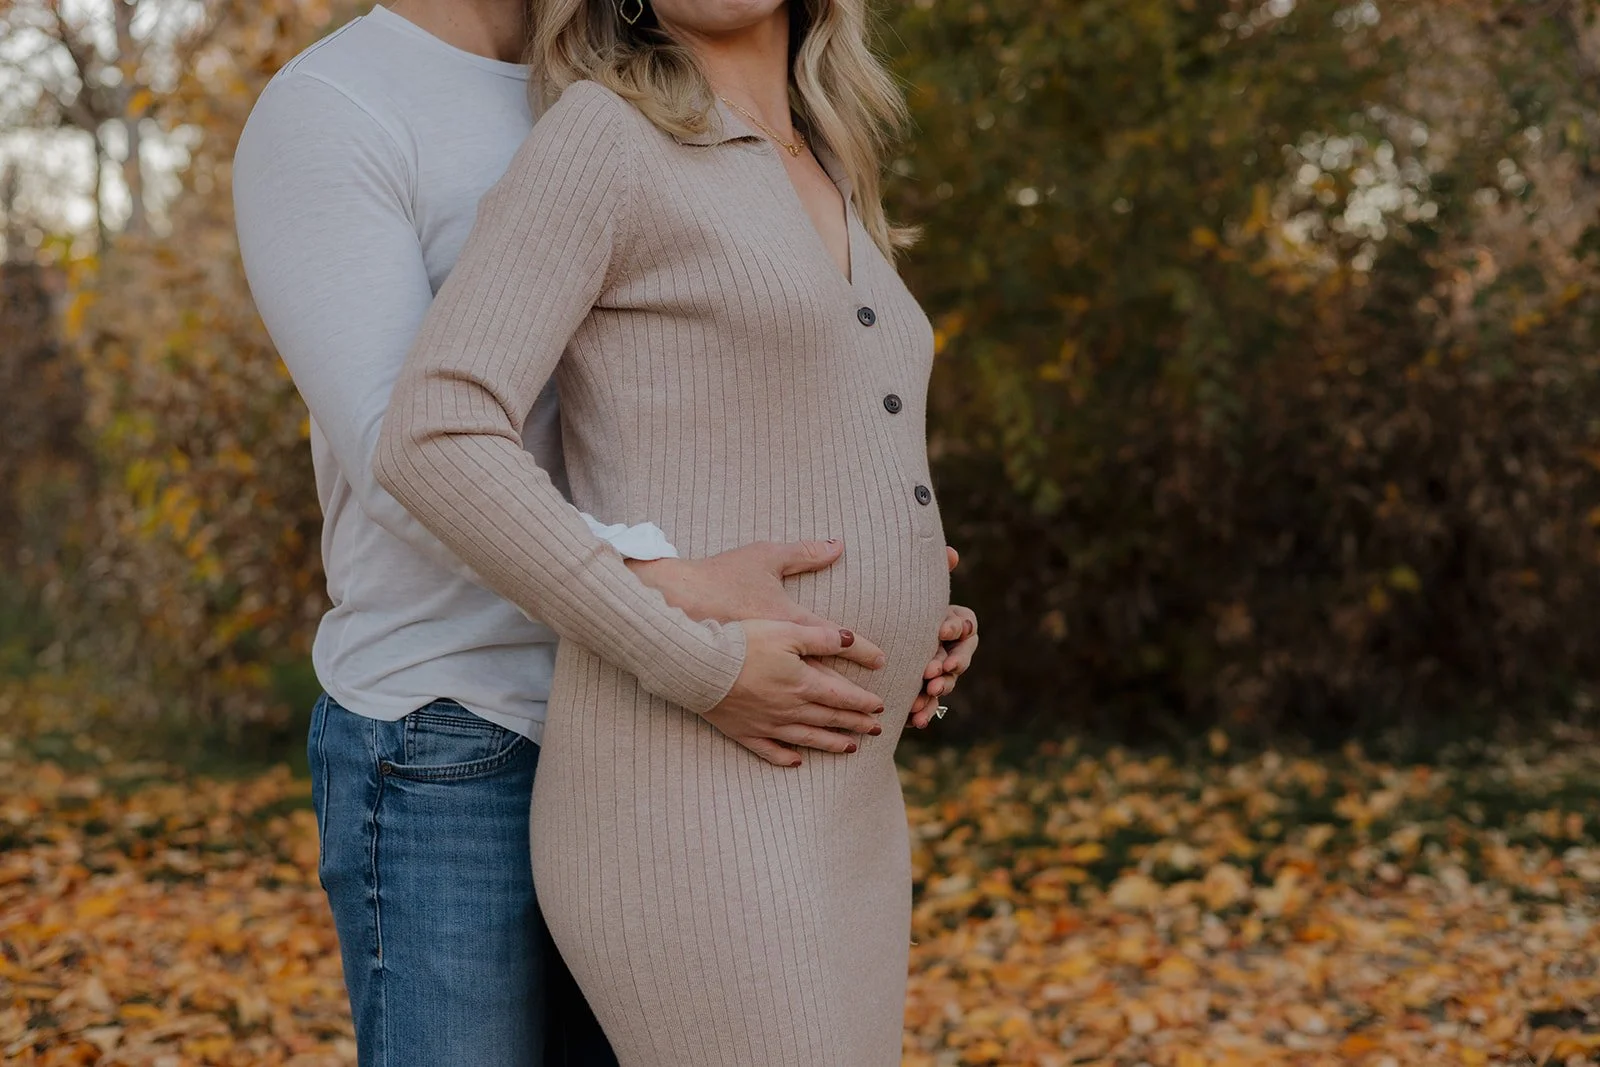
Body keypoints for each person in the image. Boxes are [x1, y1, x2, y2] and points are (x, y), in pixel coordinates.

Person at [232, 0, 978, 1063]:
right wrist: (668, 598)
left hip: (722, 725)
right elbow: (408, 450)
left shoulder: (710, 108)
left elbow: (751, 409)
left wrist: (898, 592)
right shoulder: (343, 108)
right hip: (460, 722)